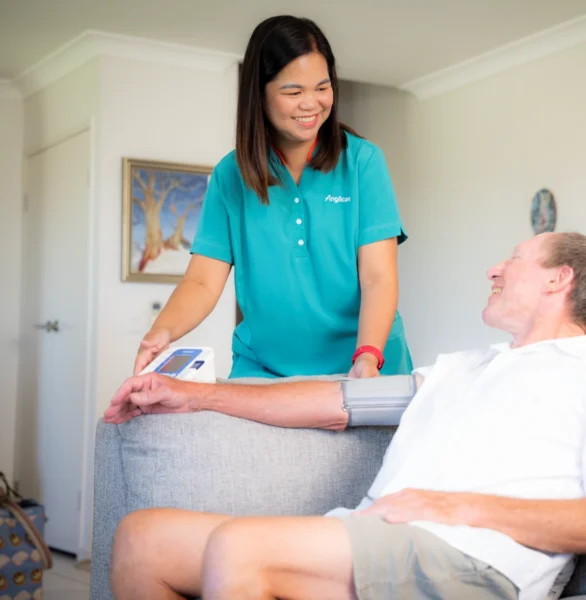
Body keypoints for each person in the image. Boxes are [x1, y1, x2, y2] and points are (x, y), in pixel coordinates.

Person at [107, 232, 586, 600]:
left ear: (560, 278)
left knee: (240, 545)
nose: (494, 268)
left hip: (473, 567)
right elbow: (333, 401)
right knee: (143, 538)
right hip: (377, 541)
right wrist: (193, 395)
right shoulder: (456, 370)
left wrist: (446, 505)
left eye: (516, 259)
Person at [133, 15, 413, 381]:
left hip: (364, 363)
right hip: (264, 369)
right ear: (259, 95)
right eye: (293, 92)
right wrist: (162, 332)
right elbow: (202, 281)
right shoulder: (230, 176)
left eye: (322, 87)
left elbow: (378, 276)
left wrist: (368, 356)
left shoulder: (363, 163)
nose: (311, 103)